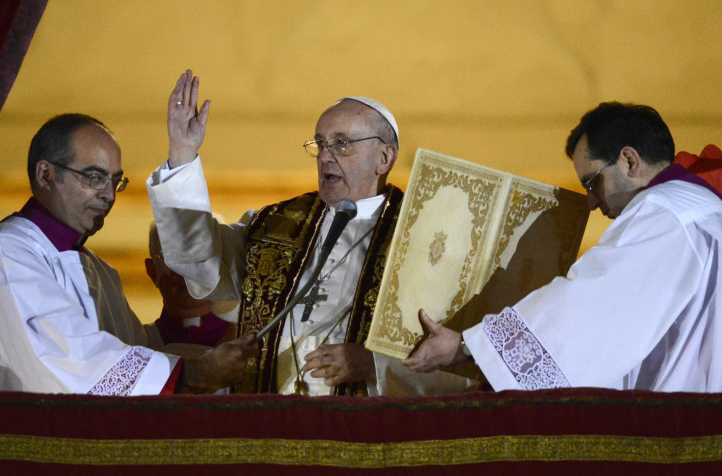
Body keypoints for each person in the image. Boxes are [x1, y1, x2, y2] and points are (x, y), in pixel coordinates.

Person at [147, 70, 476, 396]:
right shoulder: (275, 223)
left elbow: (463, 366)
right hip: (268, 420)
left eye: (341, 144)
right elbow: (197, 260)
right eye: (320, 144)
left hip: (363, 431)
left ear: (384, 158)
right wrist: (182, 155)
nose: (325, 157)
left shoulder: (431, 239)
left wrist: (373, 365)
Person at [403, 101, 722, 393]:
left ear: (629, 160)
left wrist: (464, 345)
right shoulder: (699, 204)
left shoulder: (662, 210)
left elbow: (589, 304)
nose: (592, 201)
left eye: (593, 182)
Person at [0, 113, 256, 395]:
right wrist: (193, 373)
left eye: (115, 181)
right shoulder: (5, 254)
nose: (109, 195)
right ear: (46, 175)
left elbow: (134, 351)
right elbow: (70, 359)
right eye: (94, 177)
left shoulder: (100, 271)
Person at [146, 221, 236, 346]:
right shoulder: (135, 345)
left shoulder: (258, 342)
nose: (188, 270)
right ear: (153, 272)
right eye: (173, 257)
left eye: (202, 255)